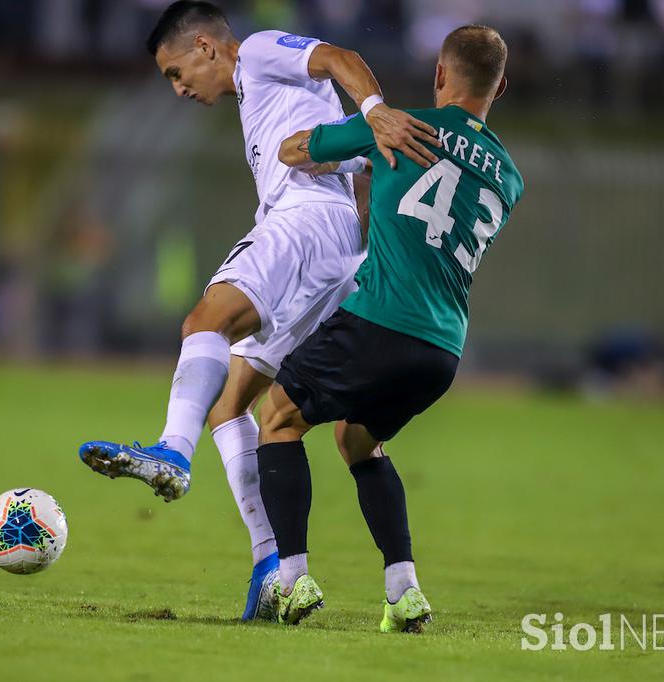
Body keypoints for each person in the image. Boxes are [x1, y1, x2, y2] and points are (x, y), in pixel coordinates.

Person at [78, 0, 440, 621]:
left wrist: (375, 114)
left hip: (301, 227)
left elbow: (339, 58)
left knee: (203, 323)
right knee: (233, 405)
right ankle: (272, 567)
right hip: (333, 249)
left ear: (206, 46)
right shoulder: (265, 99)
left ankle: (170, 452)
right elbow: (356, 169)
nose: (179, 89)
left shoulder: (261, 51)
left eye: (175, 72)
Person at [257, 25, 524, 630]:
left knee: (276, 419)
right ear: (500, 87)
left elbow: (294, 151)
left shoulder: (399, 128)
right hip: (442, 349)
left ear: (439, 74)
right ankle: (403, 591)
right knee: (358, 440)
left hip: (381, 320)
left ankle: (293, 581)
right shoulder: (509, 177)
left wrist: (364, 139)